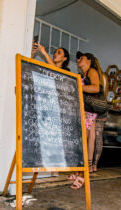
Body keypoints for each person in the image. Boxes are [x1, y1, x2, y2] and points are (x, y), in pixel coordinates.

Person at [31, 42, 70, 177]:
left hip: (58, 109)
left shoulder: (67, 73)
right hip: (45, 106)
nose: (55, 54)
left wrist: (44, 53)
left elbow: (57, 73)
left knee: (56, 139)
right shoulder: (46, 68)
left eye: (59, 52)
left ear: (65, 59)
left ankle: (55, 171)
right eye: (55, 52)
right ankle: (43, 169)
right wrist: (32, 53)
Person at [68, 52, 100, 190]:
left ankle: (82, 174)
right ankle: (78, 171)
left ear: (89, 60)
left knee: (84, 143)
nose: (78, 60)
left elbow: (95, 87)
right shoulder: (85, 74)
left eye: (81, 58)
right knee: (81, 142)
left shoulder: (92, 71)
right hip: (84, 110)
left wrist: (78, 87)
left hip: (88, 111)